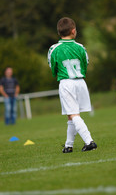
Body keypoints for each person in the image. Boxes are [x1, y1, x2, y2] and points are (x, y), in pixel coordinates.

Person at [48, 17, 97, 153]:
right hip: (80, 82)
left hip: (66, 82)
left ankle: (89, 141)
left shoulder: (54, 48)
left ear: (59, 32)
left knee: (74, 114)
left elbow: (53, 68)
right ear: (74, 31)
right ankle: (68, 145)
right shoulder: (81, 47)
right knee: (71, 115)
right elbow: (85, 65)